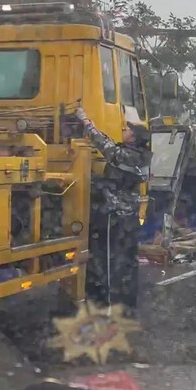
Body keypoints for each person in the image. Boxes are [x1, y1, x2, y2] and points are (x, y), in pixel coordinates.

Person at [76, 107, 152, 311]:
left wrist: (86, 122)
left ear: (133, 138)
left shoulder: (124, 155)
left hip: (115, 216)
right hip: (130, 216)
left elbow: (104, 145)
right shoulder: (141, 157)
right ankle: (128, 303)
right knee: (129, 260)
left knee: (109, 260)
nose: (124, 130)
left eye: (128, 129)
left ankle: (108, 305)